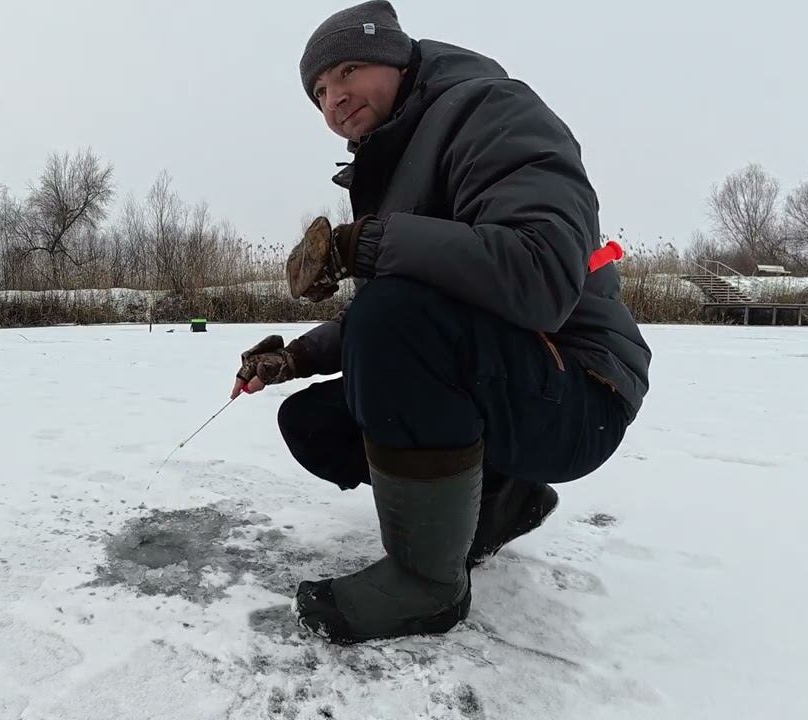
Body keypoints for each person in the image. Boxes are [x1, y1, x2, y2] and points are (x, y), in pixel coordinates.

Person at [231, 1, 651, 645]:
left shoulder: (491, 112)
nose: (334, 99)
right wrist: (292, 358)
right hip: (503, 375)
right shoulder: (392, 163)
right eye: (319, 91)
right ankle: (501, 501)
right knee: (313, 421)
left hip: (581, 386)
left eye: (348, 71)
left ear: (397, 60)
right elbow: (398, 327)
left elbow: (539, 278)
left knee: (393, 314)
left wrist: (364, 245)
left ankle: (426, 589)